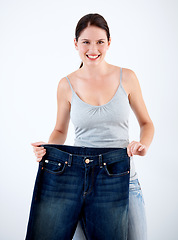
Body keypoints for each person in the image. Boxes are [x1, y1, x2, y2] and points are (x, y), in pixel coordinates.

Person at [27, 13, 154, 240]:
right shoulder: (66, 84)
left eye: (100, 42)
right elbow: (60, 130)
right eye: (86, 42)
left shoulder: (128, 77)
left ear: (109, 43)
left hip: (123, 176)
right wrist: (46, 148)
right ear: (75, 44)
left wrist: (143, 144)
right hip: (77, 178)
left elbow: (146, 123)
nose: (93, 49)